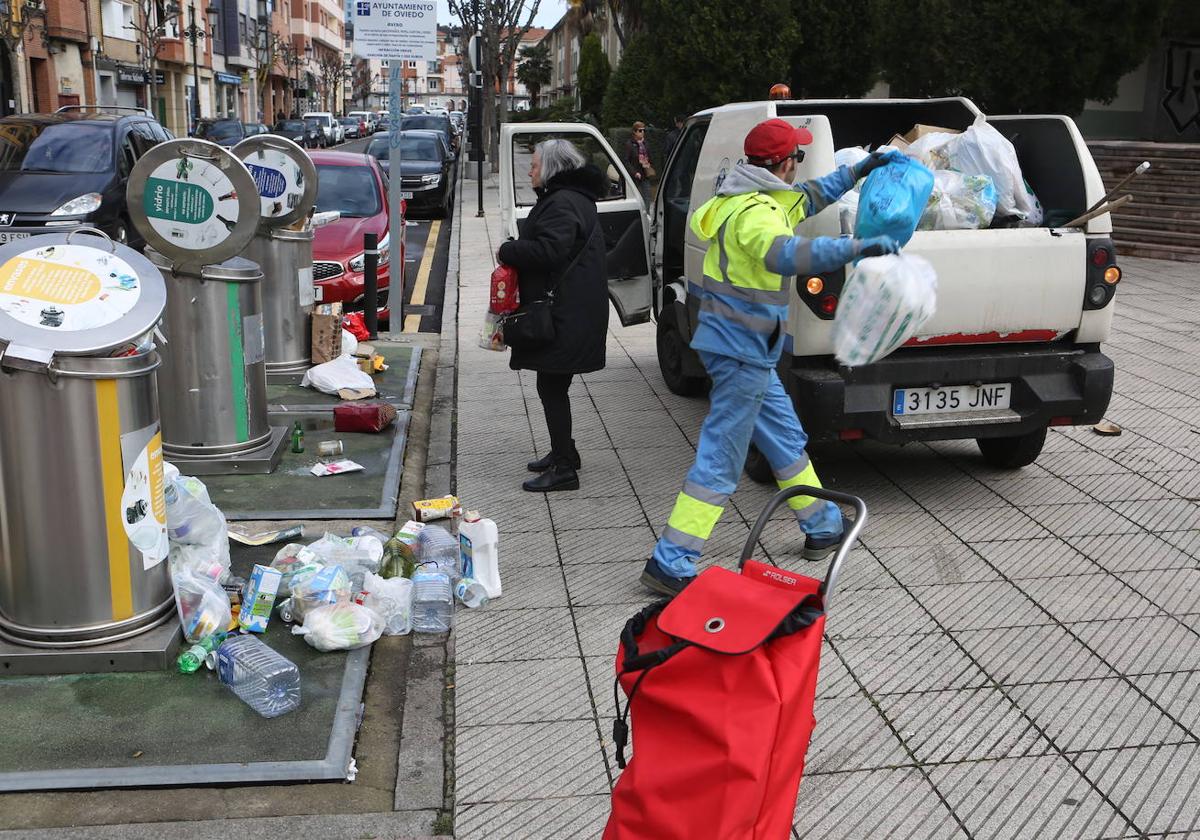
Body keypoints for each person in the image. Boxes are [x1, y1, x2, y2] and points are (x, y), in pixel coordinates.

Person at [640, 118, 906, 597]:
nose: (798, 166)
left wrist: (861, 169)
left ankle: (822, 524)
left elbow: (810, 196)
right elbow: (786, 254)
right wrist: (858, 247)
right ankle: (671, 561)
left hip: (742, 348)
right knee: (721, 456)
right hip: (741, 351)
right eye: (796, 158)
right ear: (783, 163)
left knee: (784, 437)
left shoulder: (749, 196)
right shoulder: (756, 214)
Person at [497, 139, 609, 493]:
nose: (529, 171)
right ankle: (567, 452)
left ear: (550, 168)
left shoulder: (561, 202)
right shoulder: (573, 199)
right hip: (573, 307)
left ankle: (564, 468)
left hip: (564, 312)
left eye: (533, 165)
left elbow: (550, 250)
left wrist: (508, 249)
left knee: (551, 385)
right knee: (553, 384)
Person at [623, 121, 653, 202]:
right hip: (635, 176)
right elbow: (626, 161)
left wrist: (648, 165)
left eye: (644, 130)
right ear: (634, 132)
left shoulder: (646, 144)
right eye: (640, 130)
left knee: (647, 197)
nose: (642, 132)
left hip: (645, 174)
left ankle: (647, 214)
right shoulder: (629, 144)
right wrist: (634, 172)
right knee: (635, 198)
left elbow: (650, 158)